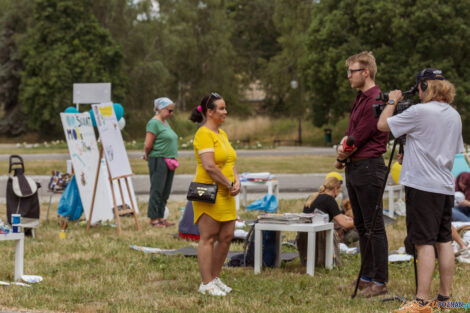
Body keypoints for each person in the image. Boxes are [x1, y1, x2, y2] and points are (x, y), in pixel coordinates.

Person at [377, 68, 464, 312]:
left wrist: (393, 101)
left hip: (422, 186)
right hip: (445, 185)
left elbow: (382, 124)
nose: (417, 93)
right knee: (444, 240)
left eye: (418, 88)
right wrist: (413, 151)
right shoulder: (454, 115)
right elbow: (445, 148)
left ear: (424, 87)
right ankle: (445, 298)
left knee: (423, 242)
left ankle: (422, 301)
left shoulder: (420, 111)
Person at [335, 51, 389, 297]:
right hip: (356, 167)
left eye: (352, 71)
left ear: (365, 72)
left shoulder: (376, 100)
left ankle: (380, 281)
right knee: (362, 225)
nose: (348, 76)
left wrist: (341, 155)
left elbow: (359, 137)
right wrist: (345, 155)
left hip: (369, 167)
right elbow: (351, 134)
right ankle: (365, 278)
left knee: (374, 227)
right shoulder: (360, 98)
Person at [189, 92, 240, 296]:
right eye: (221, 108)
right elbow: (209, 166)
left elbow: (230, 161)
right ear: (209, 112)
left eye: (225, 108)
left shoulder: (222, 133)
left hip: (226, 191)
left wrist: (236, 180)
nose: (225, 112)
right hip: (208, 192)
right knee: (208, 237)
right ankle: (206, 283)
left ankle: (215, 277)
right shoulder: (203, 134)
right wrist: (228, 183)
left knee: (227, 236)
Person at [297, 176, 358, 266]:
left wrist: (345, 217)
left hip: (305, 236)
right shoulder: (329, 199)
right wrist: (361, 223)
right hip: (320, 237)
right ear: (335, 189)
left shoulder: (312, 197)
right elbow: (344, 224)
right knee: (357, 231)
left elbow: (331, 214)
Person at [143, 97, 178, 227]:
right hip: (158, 159)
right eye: (169, 110)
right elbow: (148, 144)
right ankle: (153, 219)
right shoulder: (153, 123)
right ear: (161, 109)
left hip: (169, 160)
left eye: (173, 111)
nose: (171, 113)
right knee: (157, 190)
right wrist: (147, 155)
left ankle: (160, 217)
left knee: (165, 191)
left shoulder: (164, 122)